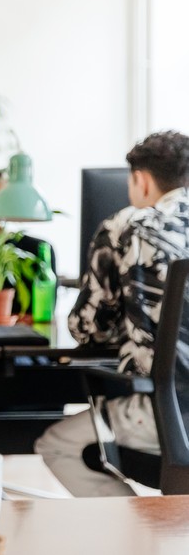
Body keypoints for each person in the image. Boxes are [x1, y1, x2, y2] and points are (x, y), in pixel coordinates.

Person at [35, 130, 189, 496]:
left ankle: (135, 529)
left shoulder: (128, 226)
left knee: (56, 444)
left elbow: (88, 328)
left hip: (171, 410)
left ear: (141, 180)